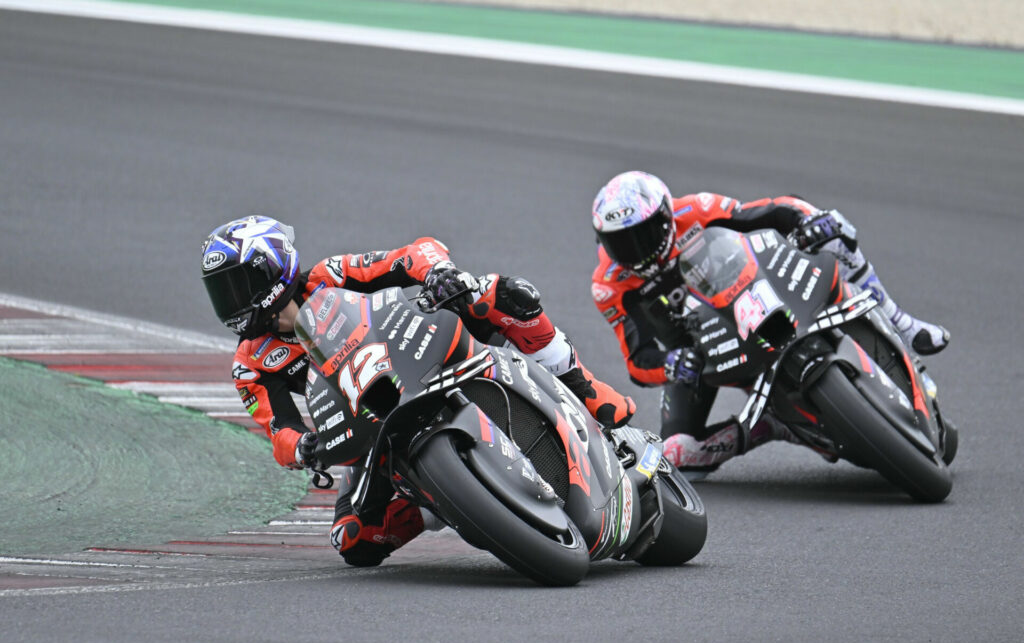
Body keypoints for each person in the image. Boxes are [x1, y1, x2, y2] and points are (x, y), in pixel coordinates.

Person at [200, 215, 635, 566]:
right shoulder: (250, 362)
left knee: (498, 294)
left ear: (272, 271)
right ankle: (439, 502)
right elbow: (278, 428)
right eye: (221, 293)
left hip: (421, 352)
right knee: (353, 541)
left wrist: (439, 274)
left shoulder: (330, 275)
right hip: (365, 420)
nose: (231, 304)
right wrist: (303, 448)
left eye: (237, 287)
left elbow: (411, 254)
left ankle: (587, 391)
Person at [588, 171, 949, 478]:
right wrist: (671, 365)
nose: (634, 250)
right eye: (619, 242)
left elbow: (768, 211)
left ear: (666, 218)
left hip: (752, 289)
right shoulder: (608, 284)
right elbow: (637, 358)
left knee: (834, 233)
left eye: (644, 234)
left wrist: (810, 220)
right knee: (678, 455)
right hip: (702, 351)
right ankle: (767, 427)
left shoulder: (694, 209)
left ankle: (900, 322)